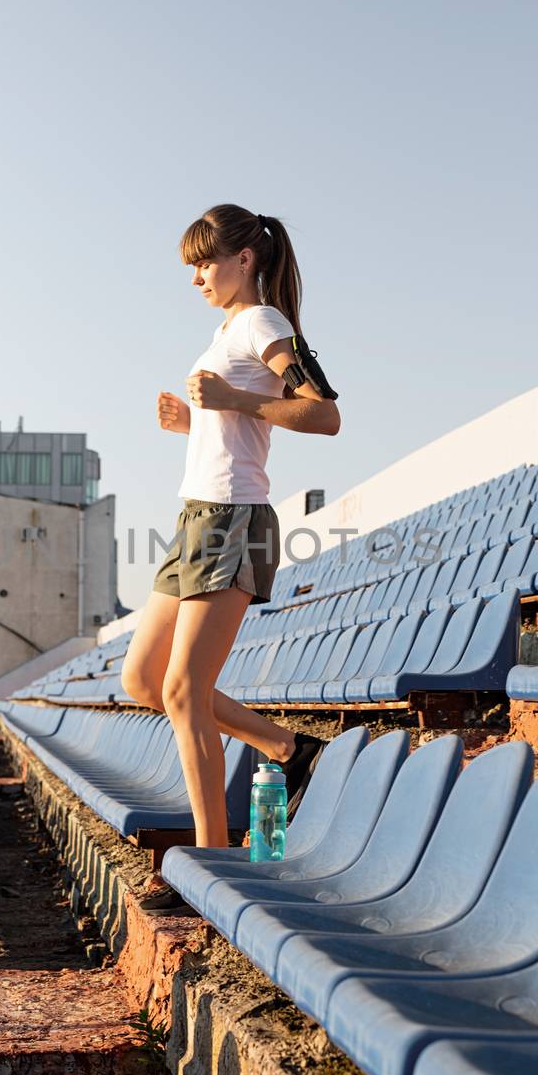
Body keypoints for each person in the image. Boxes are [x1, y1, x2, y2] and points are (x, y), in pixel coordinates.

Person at [121, 203, 341, 905]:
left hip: (234, 520)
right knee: (143, 683)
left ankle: (211, 868)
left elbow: (325, 412)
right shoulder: (227, 331)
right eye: (191, 266)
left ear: (245, 259)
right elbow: (235, 424)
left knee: (184, 689)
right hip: (195, 518)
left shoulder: (263, 322)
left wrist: (231, 402)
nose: (196, 278)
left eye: (205, 263)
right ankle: (285, 746)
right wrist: (197, 419)